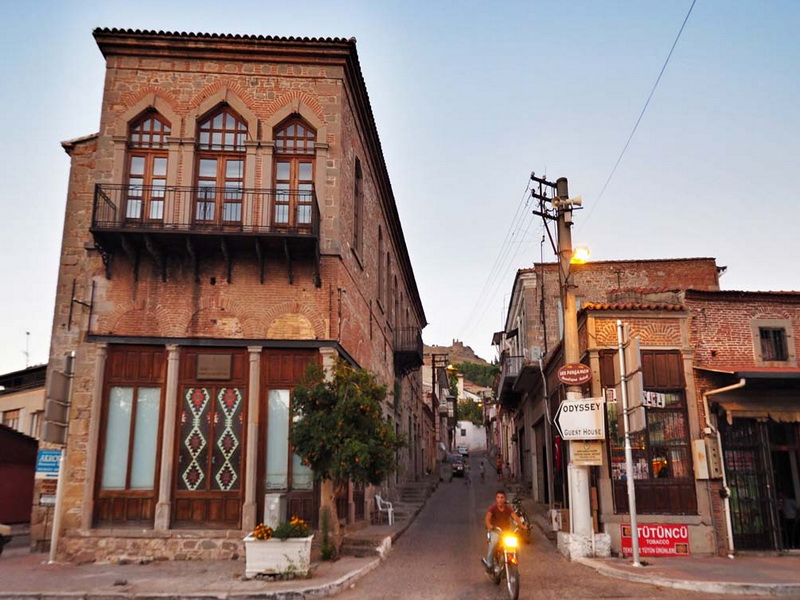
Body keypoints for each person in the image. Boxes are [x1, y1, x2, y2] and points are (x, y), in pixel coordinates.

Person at [482, 490, 526, 572]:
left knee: (516, 546)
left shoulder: (508, 508)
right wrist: (489, 526)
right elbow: (487, 519)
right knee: (493, 543)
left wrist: (522, 526)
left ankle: (514, 564)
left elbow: (515, 517)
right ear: (496, 499)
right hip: (496, 531)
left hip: (506, 532)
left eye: (502, 498)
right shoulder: (493, 508)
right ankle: (489, 563)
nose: (500, 500)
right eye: (498, 497)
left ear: (505, 499)